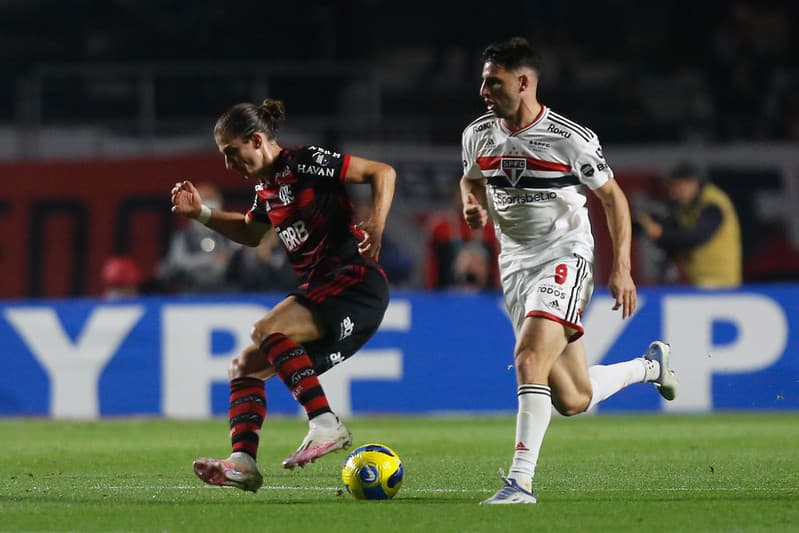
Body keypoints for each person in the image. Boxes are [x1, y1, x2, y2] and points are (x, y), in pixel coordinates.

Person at [460, 37, 678, 505]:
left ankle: (519, 482)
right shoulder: (477, 134)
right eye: (483, 81)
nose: (483, 91)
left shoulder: (569, 138)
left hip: (564, 256)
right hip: (514, 268)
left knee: (528, 359)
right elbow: (470, 179)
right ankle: (649, 367)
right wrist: (471, 204)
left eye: (493, 82)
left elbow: (613, 198)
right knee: (573, 398)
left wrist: (622, 267)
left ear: (523, 82)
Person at [170, 98, 396, 493]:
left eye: (231, 152)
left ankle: (326, 424)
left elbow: (382, 171)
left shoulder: (304, 163)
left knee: (265, 329)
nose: (228, 164)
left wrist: (376, 223)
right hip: (324, 290)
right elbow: (250, 232)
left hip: (353, 282)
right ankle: (242, 463)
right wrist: (201, 214)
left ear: (257, 140)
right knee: (244, 366)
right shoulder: (266, 189)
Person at [635, 162, 742, 288]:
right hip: (698, 279)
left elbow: (696, 236)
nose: (674, 194)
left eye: (678, 188)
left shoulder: (713, 204)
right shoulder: (687, 205)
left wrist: (659, 232)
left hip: (719, 281)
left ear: (693, 184)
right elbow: (673, 228)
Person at [158, 182, 237, 293]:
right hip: (191, 294)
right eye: (204, 199)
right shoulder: (184, 237)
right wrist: (209, 260)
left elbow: (237, 264)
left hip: (228, 294)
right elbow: (176, 264)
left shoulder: (232, 234)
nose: (209, 204)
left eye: (212, 199)